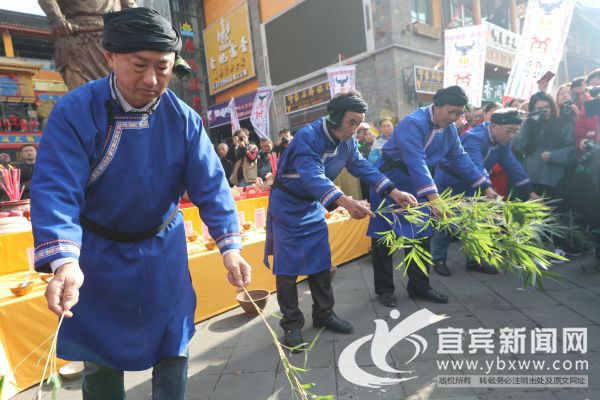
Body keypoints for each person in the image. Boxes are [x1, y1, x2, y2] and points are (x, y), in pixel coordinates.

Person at [30, 8, 251, 399]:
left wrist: (229, 247)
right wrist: (65, 262)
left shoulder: (183, 119)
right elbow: (56, 189)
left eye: (163, 68)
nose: (151, 80)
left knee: (174, 347)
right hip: (98, 257)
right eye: (138, 65)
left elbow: (212, 186)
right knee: (101, 355)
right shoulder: (75, 112)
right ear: (110, 57)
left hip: (163, 251)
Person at [264, 90, 416, 349]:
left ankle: (324, 313)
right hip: (287, 206)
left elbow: (361, 166)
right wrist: (346, 202)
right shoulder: (307, 138)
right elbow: (313, 176)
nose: (355, 130)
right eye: (351, 123)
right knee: (288, 269)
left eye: (358, 123)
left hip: (312, 205)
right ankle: (291, 325)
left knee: (321, 261)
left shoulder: (346, 142)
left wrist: (394, 191)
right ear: (335, 118)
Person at [368, 86, 498, 307]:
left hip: (418, 183)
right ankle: (384, 289)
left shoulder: (449, 130)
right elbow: (415, 160)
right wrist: (434, 199)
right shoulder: (413, 122)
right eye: (451, 112)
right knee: (384, 236)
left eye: (459, 113)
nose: (455, 118)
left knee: (419, 236)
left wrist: (485, 186)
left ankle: (419, 286)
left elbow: (460, 157)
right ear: (436, 106)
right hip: (391, 181)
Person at [431, 108, 540, 276]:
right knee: (447, 222)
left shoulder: (502, 143)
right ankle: (438, 259)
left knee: (476, 222)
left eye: (515, 131)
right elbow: (475, 167)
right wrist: (488, 190)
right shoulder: (474, 138)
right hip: (451, 183)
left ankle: (474, 260)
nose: (511, 135)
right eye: (508, 131)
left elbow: (513, 166)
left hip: (476, 183)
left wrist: (530, 192)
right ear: (494, 125)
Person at [512, 91, 575, 259]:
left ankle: (559, 247)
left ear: (552, 107)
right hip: (532, 178)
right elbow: (516, 144)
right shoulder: (530, 125)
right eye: (539, 108)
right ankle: (536, 248)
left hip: (555, 178)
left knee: (555, 214)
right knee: (535, 215)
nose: (544, 110)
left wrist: (555, 155)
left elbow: (571, 149)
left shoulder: (563, 124)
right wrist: (527, 123)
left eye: (546, 107)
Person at [38, 0, 135, 90]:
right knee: (80, 91)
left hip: (111, 36)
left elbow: (130, 7)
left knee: (113, 89)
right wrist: (56, 19)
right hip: (75, 35)